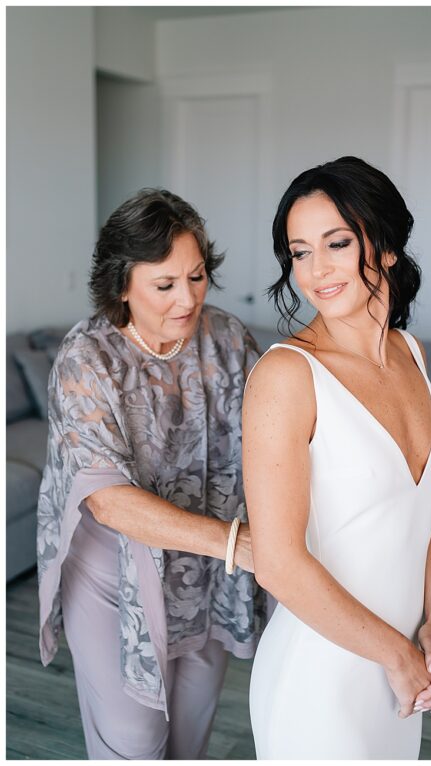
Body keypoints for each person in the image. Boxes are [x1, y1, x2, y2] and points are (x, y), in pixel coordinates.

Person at [36, 189, 266, 759]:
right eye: (164, 285)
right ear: (121, 285)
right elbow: (109, 500)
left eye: (196, 276)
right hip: (116, 577)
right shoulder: (86, 359)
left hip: (206, 574)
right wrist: (238, 545)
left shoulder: (230, 339)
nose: (187, 300)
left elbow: (278, 437)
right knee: (134, 743)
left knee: (190, 734)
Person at [244, 157, 431, 758]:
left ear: (386, 246)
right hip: (321, 676)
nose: (316, 270)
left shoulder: (410, 352)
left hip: (398, 670)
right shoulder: (287, 375)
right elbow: (278, 564)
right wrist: (397, 653)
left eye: (337, 243)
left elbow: (427, 496)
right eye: (300, 252)